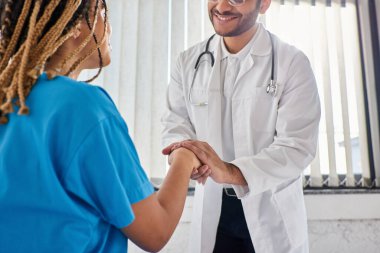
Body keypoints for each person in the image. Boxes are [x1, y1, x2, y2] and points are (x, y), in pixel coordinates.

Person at [0, 1, 201, 252]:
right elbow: (155, 231)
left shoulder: (7, 98)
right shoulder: (82, 108)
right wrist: (185, 155)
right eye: (102, 12)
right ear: (73, 26)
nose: (110, 27)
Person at [161, 0, 321, 252]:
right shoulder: (188, 63)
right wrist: (186, 156)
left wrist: (229, 171)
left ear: (264, 3)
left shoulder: (291, 63)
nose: (222, 6)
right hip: (214, 213)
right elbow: (175, 127)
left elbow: (297, 147)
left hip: (271, 213)